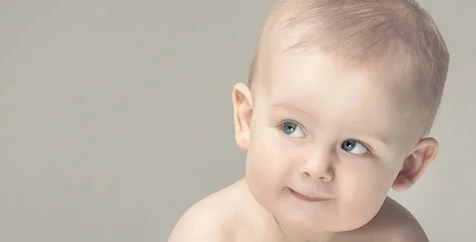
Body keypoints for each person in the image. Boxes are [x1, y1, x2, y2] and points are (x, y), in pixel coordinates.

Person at [168, 0, 450, 241]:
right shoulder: (211, 232)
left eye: (353, 145)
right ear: (247, 119)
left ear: (408, 165)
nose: (316, 168)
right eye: (291, 128)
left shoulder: (397, 237)